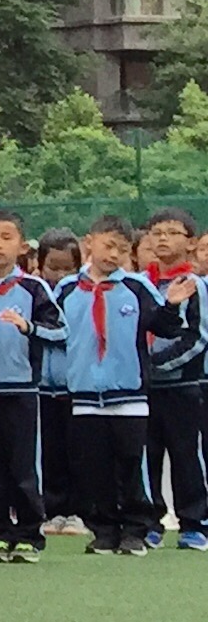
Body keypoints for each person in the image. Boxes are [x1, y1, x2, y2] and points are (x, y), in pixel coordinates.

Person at [56, 213, 196, 553]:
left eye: (122, 248)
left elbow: (163, 328)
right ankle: (103, 530)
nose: (114, 254)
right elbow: (54, 334)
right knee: (93, 468)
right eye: (107, 245)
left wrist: (171, 306)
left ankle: (136, 529)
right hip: (84, 395)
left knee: (133, 464)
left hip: (129, 393)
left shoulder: (136, 287)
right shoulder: (67, 289)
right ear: (89, 243)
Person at [0, 211, 61, 563]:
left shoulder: (34, 289)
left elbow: (60, 331)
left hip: (20, 390)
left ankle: (30, 533)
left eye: (6, 237)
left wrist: (28, 328)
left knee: (22, 465)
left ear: (22, 246)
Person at [144, 210, 208, 547]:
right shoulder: (141, 284)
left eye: (172, 232)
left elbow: (197, 337)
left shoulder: (195, 285)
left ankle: (194, 522)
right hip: (144, 389)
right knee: (147, 454)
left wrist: (156, 365)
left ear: (191, 242)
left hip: (183, 385)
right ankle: (150, 521)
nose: (163, 238)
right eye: (156, 232)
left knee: (186, 454)